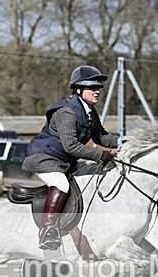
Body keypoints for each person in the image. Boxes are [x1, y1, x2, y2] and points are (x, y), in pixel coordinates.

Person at [22, 65, 119, 250]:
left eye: (98, 87)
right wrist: (102, 154)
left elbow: (100, 137)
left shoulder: (88, 111)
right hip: (45, 157)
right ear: (78, 89)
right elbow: (72, 146)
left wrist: (123, 141)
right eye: (92, 87)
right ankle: (47, 230)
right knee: (61, 184)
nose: (97, 91)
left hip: (63, 161)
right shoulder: (67, 111)